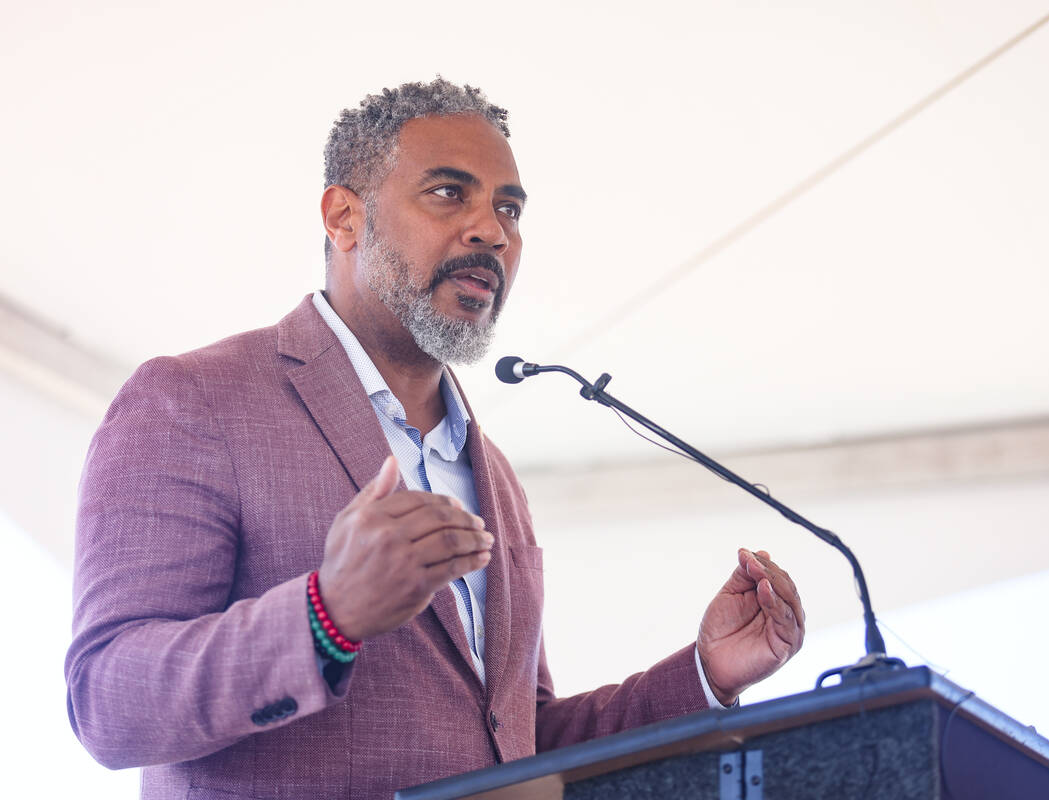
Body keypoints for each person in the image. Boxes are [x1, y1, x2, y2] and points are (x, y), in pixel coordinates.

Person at [66, 79, 805, 799]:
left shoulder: (495, 476)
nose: (493, 230)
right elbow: (108, 703)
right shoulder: (195, 401)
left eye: (509, 208)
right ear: (344, 217)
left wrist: (705, 676)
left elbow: (515, 742)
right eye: (450, 193)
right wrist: (327, 616)